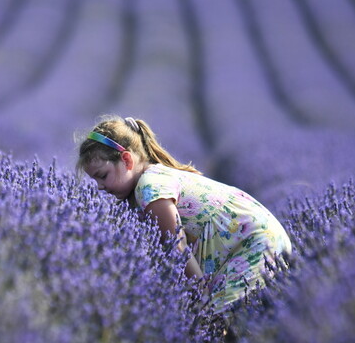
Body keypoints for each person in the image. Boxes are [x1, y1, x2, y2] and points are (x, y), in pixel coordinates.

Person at [76, 115, 292, 312]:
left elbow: (176, 247)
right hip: (255, 237)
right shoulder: (152, 180)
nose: (99, 187)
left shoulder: (149, 187)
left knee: (221, 321)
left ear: (127, 160)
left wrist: (202, 299)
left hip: (253, 242)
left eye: (102, 176)